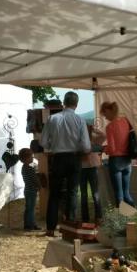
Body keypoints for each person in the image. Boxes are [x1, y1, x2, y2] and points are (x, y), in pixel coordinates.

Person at [40, 91, 91, 236]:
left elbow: (43, 142)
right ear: (76, 104)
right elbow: (86, 146)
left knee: (54, 193)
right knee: (72, 193)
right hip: (74, 158)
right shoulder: (80, 120)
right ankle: (70, 227)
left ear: (64, 102)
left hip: (58, 158)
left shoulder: (52, 118)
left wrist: (53, 145)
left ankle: (50, 228)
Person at [100, 101, 135, 207]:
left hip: (116, 161)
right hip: (127, 160)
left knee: (119, 195)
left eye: (105, 115)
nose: (105, 117)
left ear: (108, 111)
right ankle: (136, 217)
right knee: (126, 193)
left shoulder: (110, 127)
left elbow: (112, 148)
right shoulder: (126, 121)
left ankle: (122, 221)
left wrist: (105, 149)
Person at [80, 124, 105, 223]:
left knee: (95, 194)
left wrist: (94, 129)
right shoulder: (79, 138)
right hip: (82, 168)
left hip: (92, 167)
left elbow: (103, 136)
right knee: (84, 194)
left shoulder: (94, 138)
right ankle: (85, 218)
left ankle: (98, 217)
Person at [19, 148, 42, 231]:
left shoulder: (23, 168)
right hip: (32, 190)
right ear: (26, 158)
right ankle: (32, 225)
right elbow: (35, 179)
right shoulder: (29, 168)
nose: (32, 158)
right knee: (31, 209)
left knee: (28, 208)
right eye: (31, 157)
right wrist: (39, 186)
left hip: (27, 190)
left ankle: (27, 224)